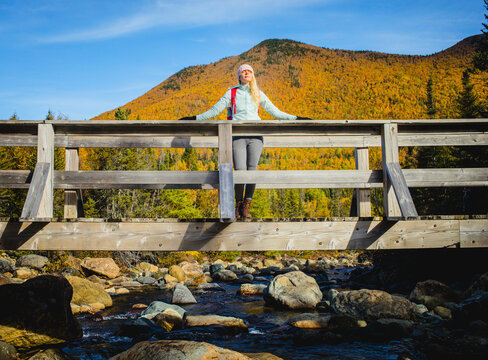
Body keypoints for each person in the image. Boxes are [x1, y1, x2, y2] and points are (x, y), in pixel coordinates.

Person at [180, 64, 311, 219]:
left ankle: (247, 205)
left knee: (252, 171)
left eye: (249, 71)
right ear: (239, 76)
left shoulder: (257, 93)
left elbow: (275, 112)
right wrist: (194, 118)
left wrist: (296, 119)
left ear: (252, 75)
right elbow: (214, 111)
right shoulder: (232, 92)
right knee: (240, 171)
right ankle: (238, 204)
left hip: (256, 137)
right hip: (237, 137)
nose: (246, 73)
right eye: (243, 71)